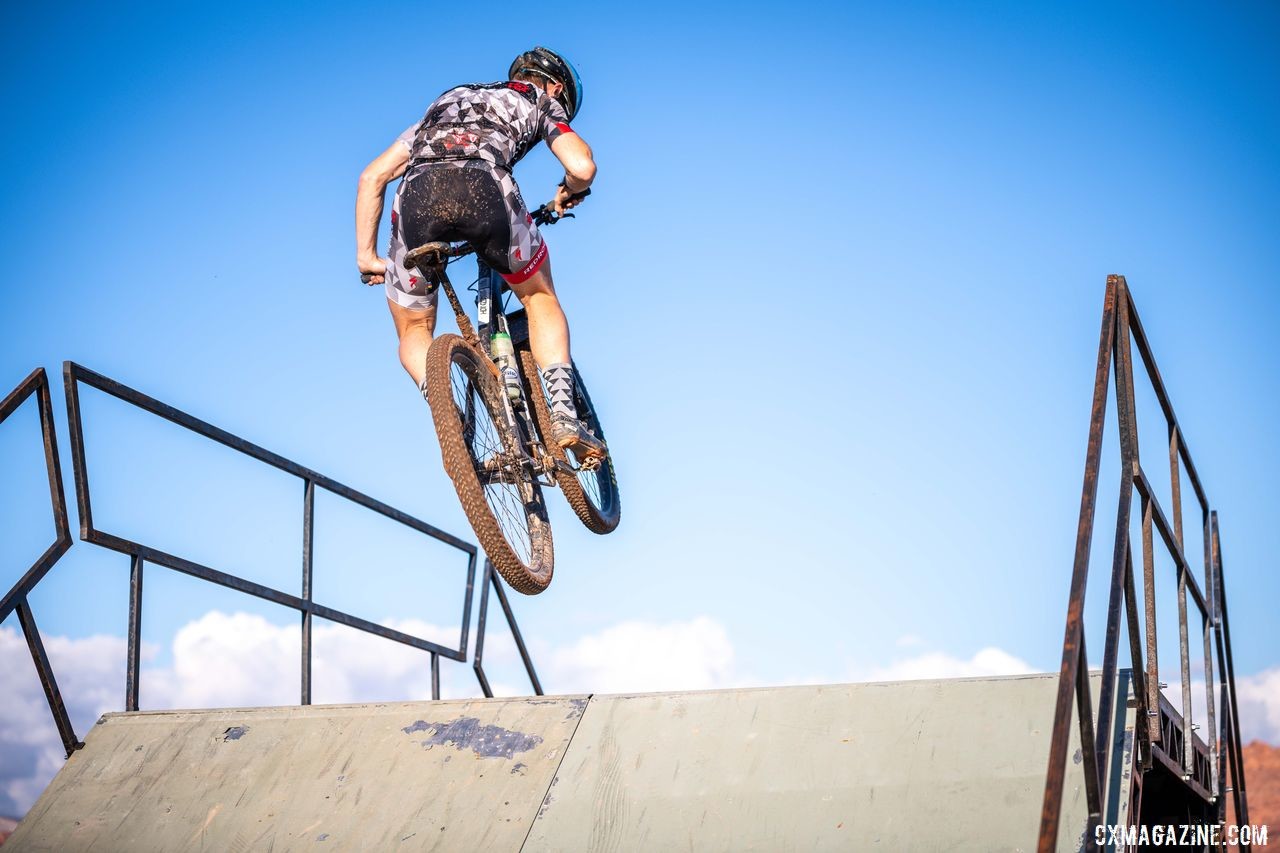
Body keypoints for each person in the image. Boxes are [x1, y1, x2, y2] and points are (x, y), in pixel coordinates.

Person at [354, 46, 605, 460]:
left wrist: (366, 257)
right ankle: (564, 415)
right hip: (484, 189)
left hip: (416, 198)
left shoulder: (441, 108)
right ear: (556, 86)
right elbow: (582, 167)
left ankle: (448, 414)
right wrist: (568, 192)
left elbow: (372, 177)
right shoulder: (539, 100)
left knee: (414, 330)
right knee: (539, 297)